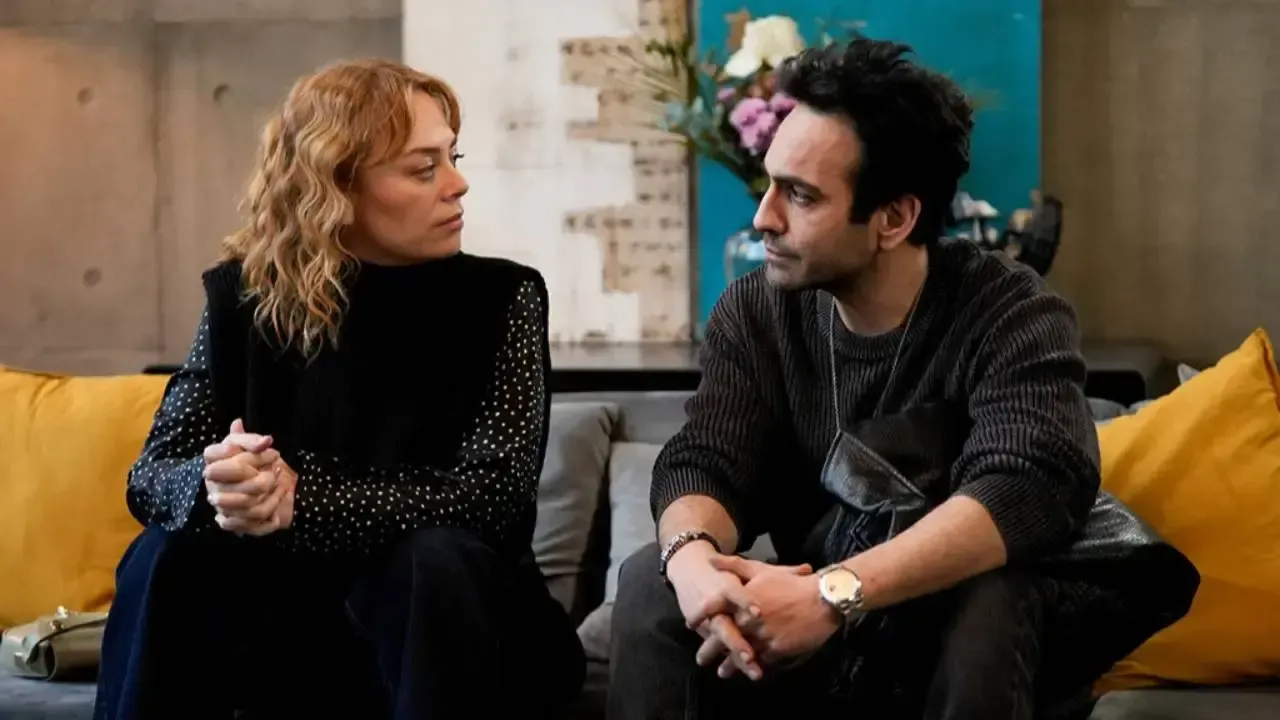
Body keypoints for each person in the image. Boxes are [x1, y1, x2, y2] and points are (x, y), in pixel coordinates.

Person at [608, 38, 1196, 719]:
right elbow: (708, 460)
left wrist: (833, 594)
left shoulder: (1011, 311)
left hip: (969, 620)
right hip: (827, 620)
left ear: (894, 218)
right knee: (649, 584)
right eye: (770, 183)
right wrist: (691, 562)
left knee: (993, 597)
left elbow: (1024, 485)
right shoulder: (755, 312)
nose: (764, 217)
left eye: (799, 195)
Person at [94, 59, 585, 720]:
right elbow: (149, 475)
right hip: (285, 633)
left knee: (433, 557)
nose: (458, 184)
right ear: (337, 186)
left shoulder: (503, 299)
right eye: (424, 169)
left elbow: (494, 499)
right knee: (165, 552)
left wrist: (304, 501)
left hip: (451, 625)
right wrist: (219, 485)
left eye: (453, 158)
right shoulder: (244, 298)